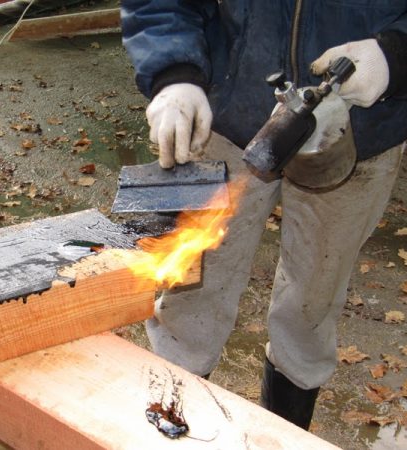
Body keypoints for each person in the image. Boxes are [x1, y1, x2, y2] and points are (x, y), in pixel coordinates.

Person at [121, 0, 407, 430]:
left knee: (312, 304)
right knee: (191, 291)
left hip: (361, 129)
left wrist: (397, 55)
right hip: (228, 115)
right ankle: (171, 423)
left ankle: (285, 434)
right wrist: (174, 74)